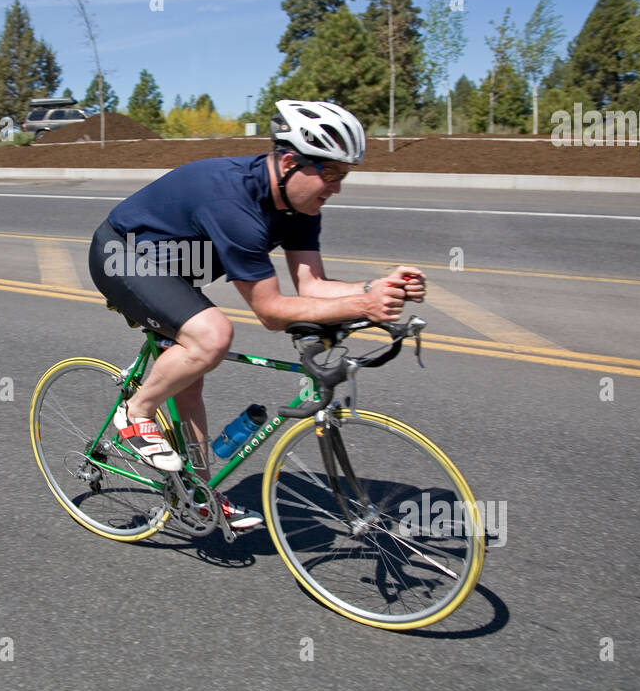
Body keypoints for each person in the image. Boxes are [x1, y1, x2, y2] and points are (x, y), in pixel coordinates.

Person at [87, 100, 426, 530]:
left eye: (344, 175)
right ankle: (135, 414)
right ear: (289, 161)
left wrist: (377, 289)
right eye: (330, 173)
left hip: (173, 266)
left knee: (191, 376)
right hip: (122, 255)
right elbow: (269, 311)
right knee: (212, 336)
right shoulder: (235, 202)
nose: (337, 187)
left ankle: (197, 492)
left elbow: (313, 287)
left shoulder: (299, 206)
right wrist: (364, 306)